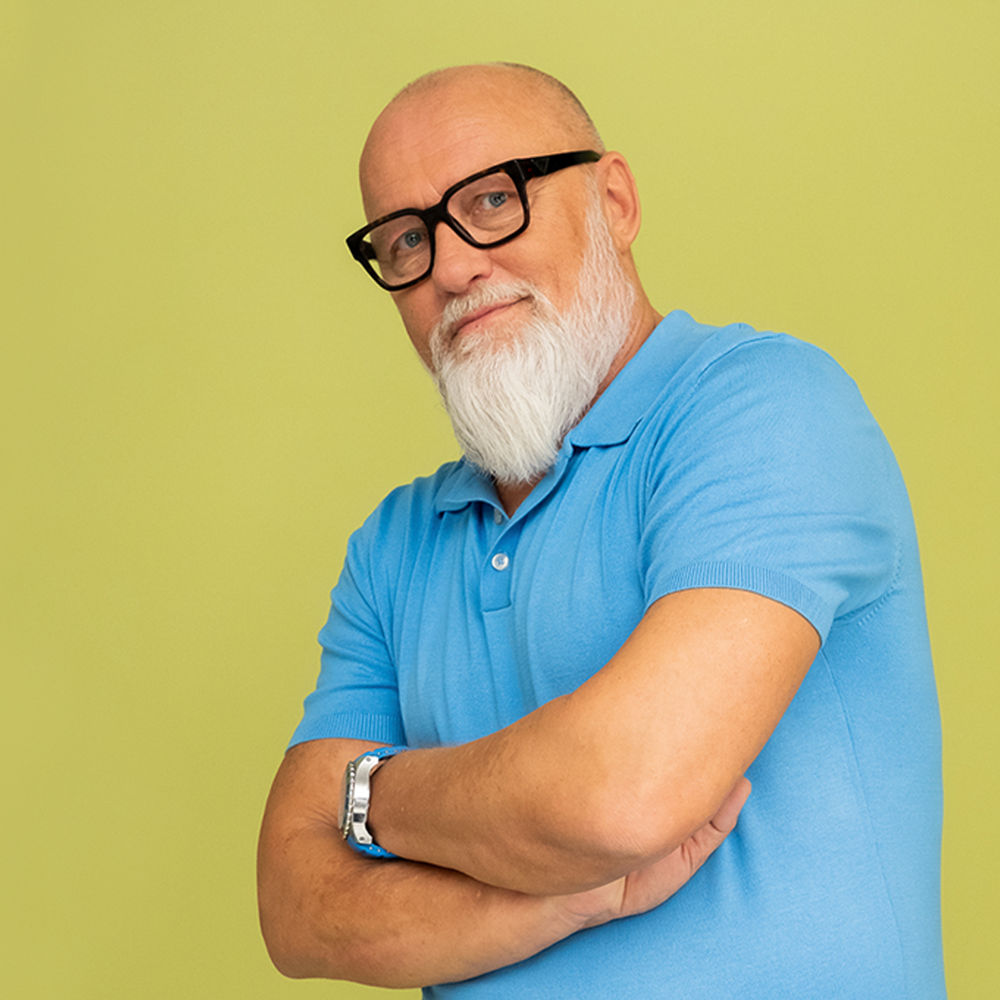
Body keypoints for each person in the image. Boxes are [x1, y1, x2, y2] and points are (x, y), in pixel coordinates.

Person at [257, 63, 945, 998]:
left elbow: (624, 794)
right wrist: (556, 904)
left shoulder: (763, 406)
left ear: (613, 201)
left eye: (494, 200)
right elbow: (298, 913)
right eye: (406, 238)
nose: (453, 265)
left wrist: (372, 796)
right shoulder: (393, 545)